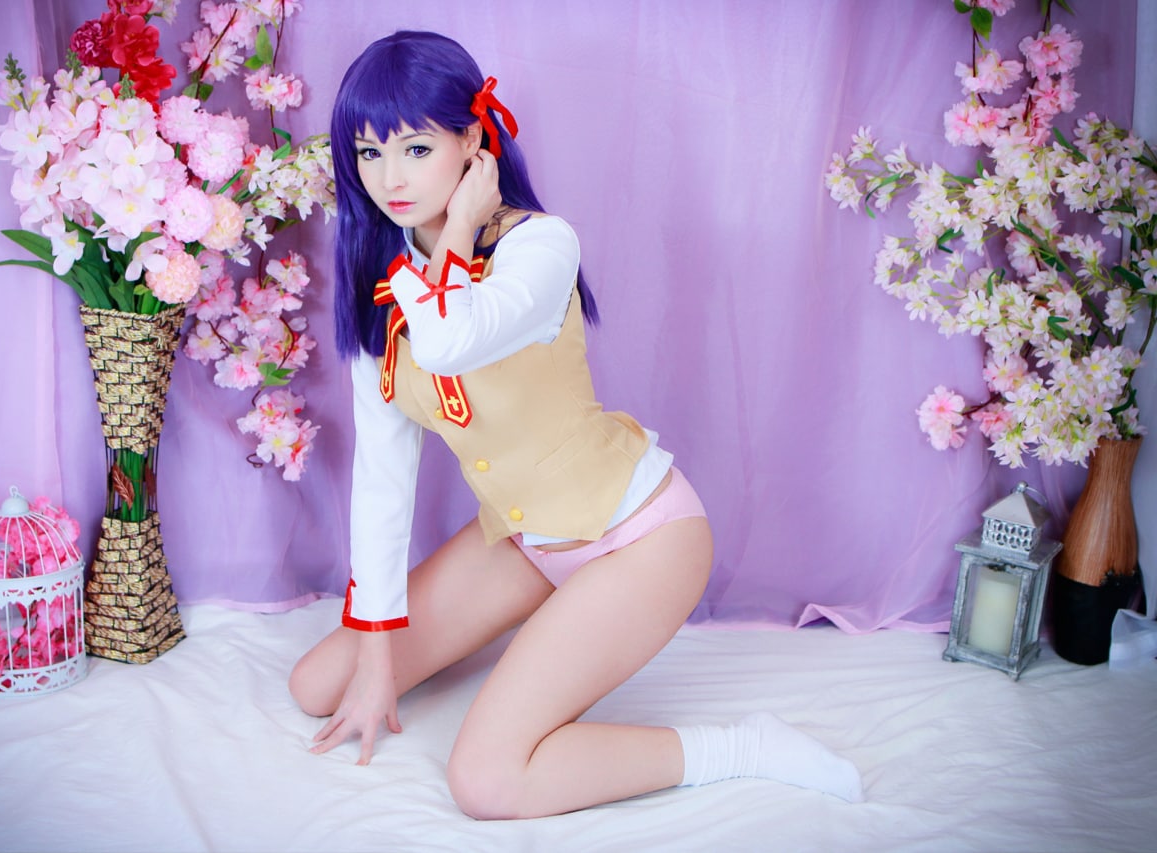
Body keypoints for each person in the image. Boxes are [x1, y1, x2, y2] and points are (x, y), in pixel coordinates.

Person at [289, 30, 863, 819]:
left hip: (640, 537)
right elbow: (382, 480)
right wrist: (379, 656)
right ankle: (547, 621)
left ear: (473, 142)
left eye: (416, 148)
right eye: (368, 153)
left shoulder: (540, 245)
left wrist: (460, 227)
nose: (390, 179)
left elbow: (452, 337)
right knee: (319, 683)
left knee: (487, 781)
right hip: (524, 540)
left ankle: (742, 745)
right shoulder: (384, 287)